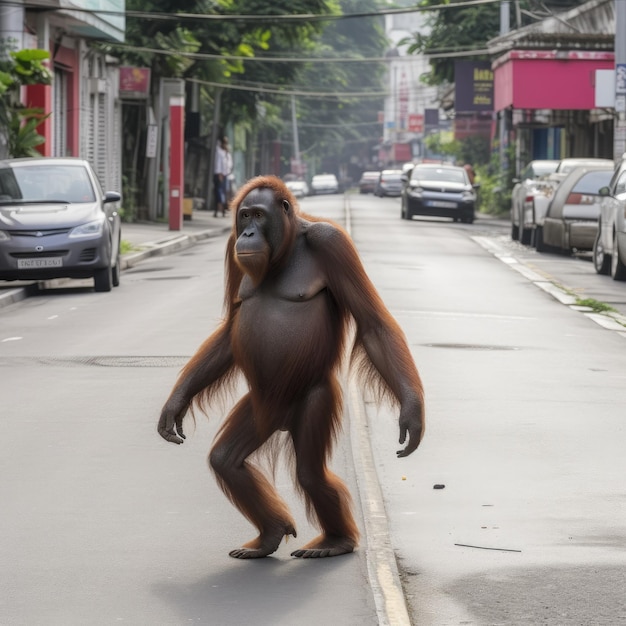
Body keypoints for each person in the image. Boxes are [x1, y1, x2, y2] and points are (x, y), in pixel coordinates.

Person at [213, 136, 233, 217]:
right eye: (224, 142)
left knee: (224, 192)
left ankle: (223, 211)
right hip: (219, 175)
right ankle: (217, 210)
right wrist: (220, 174)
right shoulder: (219, 152)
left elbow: (230, 164)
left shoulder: (227, 152)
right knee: (218, 192)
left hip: (226, 175)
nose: (225, 144)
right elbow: (218, 163)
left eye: (226, 142)